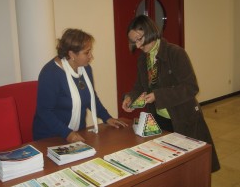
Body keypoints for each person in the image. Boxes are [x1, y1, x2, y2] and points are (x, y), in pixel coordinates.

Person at [121, 15, 220, 172]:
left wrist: (158, 96)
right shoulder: (143, 59)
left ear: (150, 31)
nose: (138, 45)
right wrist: (130, 97)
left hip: (182, 118)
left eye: (140, 39)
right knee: (169, 167)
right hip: (159, 120)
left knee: (190, 169)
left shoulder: (175, 53)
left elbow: (191, 87)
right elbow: (140, 85)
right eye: (134, 42)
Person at [33, 28, 127, 143]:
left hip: (77, 133)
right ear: (72, 54)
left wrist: (107, 117)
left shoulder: (85, 68)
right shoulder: (50, 73)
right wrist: (67, 133)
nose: (91, 56)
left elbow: (91, 97)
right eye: (86, 52)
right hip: (51, 136)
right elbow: (45, 111)